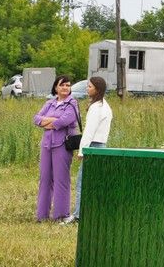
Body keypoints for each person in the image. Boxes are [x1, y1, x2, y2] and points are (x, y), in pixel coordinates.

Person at [63, 76, 113, 224]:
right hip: (101, 146)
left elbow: (89, 132)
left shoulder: (96, 108)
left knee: (81, 182)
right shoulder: (106, 106)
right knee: (94, 183)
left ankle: (78, 216)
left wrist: (82, 151)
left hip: (92, 147)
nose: (87, 88)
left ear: (97, 89)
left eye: (90, 87)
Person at [33, 75, 79, 221]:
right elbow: (36, 119)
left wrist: (48, 122)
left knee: (61, 179)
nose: (65, 87)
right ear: (56, 88)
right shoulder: (49, 103)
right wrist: (53, 121)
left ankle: (60, 215)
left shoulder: (72, 103)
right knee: (45, 178)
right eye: (62, 85)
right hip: (47, 144)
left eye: (68, 85)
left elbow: (66, 120)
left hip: (62, 145)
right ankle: (42, 215)